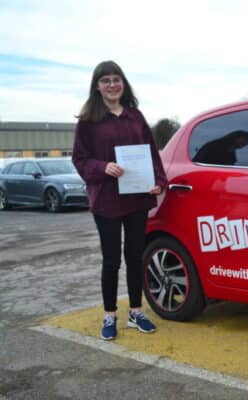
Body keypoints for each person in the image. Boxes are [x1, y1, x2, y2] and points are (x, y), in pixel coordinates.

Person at [72, 60, 167, 341]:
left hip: (137, 197)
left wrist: (160, 182)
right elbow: (79, 159)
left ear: (123, 83)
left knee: (135, 257)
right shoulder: (88, 122)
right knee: (111, 260)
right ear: (97, 86)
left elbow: (152, 154)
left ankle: (136, 312)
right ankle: (110, 315)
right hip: (107, 200)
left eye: (116, 79)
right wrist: (103, 167)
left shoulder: (135, 117)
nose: (112, 85)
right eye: (106, 80)